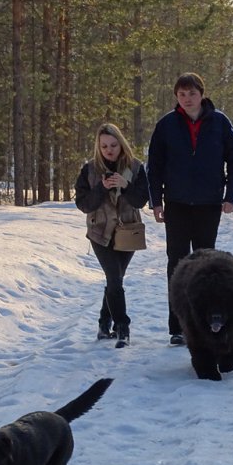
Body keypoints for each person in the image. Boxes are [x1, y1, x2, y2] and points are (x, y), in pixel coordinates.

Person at [146, 72, 233, 345]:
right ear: (176, 97)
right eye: (181, 94)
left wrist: (231, 197)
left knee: (206, 267)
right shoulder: (166, 125)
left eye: (192, 93)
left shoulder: (220, 122)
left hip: (209, 204)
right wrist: (156, 201)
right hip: (176, 204)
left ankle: (205, 322)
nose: (187, 99)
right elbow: (153, 166)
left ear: (201, 94)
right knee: (176, 265)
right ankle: (178, 327)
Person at [75, 123, 149, 348]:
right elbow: (83, 204)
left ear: (121, 144)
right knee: (114, 280)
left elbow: (141, 200)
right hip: (100, 234)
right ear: (98, 146)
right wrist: (101, 188)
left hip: (128, 233)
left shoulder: (135, 168)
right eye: (104, 146)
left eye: (113, 145)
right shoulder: (89, 170)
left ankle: (103, 323)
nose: (109, 150)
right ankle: (122, 327)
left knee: (114, 280)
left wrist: (125, 186)